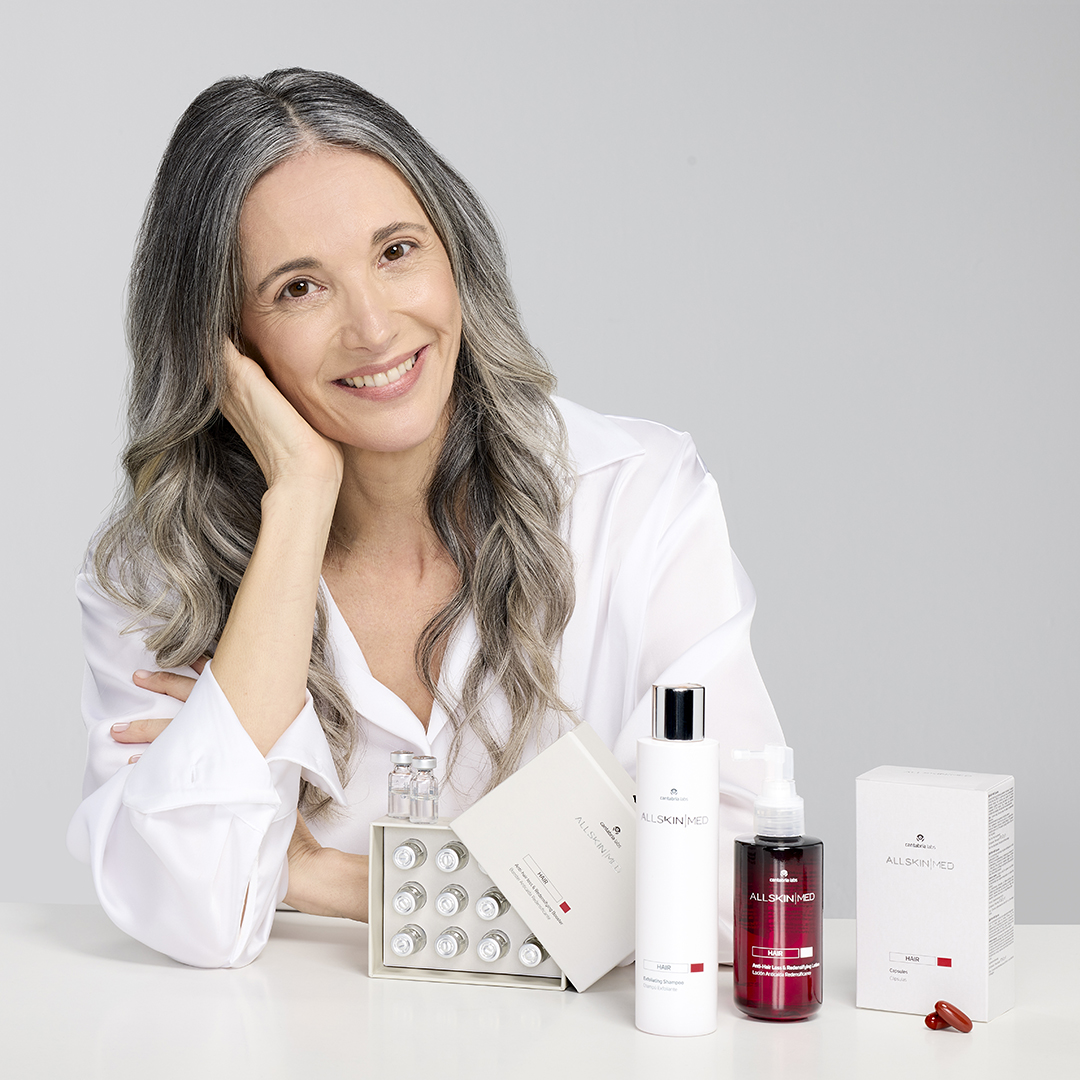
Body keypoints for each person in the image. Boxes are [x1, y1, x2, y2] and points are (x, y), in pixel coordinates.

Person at [68, 68, 783, 968]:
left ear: (454, 256)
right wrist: (299, 500)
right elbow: (194, 910)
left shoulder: (636, 500)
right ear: (227, 345)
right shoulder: (155, 576)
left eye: (396, 251)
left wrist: (325, 875)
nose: (373, 327)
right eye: (299, 288)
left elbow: (729, 891)